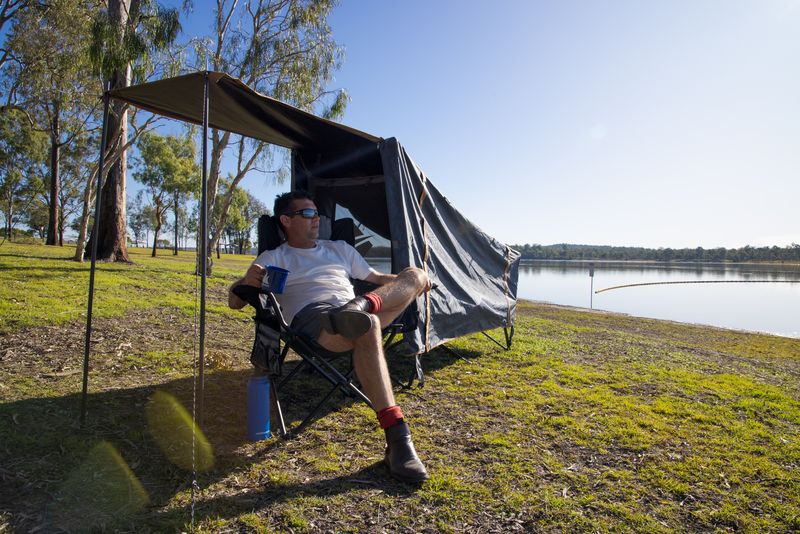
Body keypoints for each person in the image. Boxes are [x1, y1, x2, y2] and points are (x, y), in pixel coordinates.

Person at [228, 190, 431, 482]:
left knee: (415, 275)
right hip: (314, 319)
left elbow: (375, 279)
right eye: (308, 214)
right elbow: (235, 302)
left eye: (318, 214)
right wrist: (245, 281)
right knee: (368, 325)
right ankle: (399, 441)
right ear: (286, 220)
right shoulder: (274, 257)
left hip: (355, 310)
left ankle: (358, 308)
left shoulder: (339, 248)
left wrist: (412, 281)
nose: (317, 221)